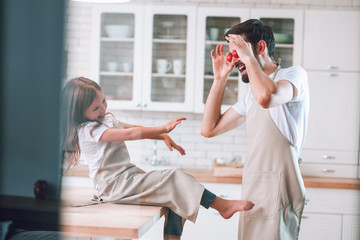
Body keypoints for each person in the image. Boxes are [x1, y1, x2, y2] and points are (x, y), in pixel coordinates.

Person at [61, 77, 254, 240]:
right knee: (176, 179)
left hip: (126, 177)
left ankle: (172, 237)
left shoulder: (104, 120)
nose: (103, 108)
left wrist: (161, 136)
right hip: (114, 185)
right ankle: (223, 206)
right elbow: (129, 135)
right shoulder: (89, 131)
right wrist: (163, 128)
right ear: (80, 113)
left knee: (175, 194)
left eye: (103, 101)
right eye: (96, 108)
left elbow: (130, 128)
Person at [201, 19, 309, 240]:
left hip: (280, 187)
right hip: (253, 186)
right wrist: (219, 79)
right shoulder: (250, 94)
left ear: (260, 48)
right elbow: (208, 129)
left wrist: (247, 57)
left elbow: (267, 97)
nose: (234, 59)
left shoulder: (292, 76)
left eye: (238, 50)